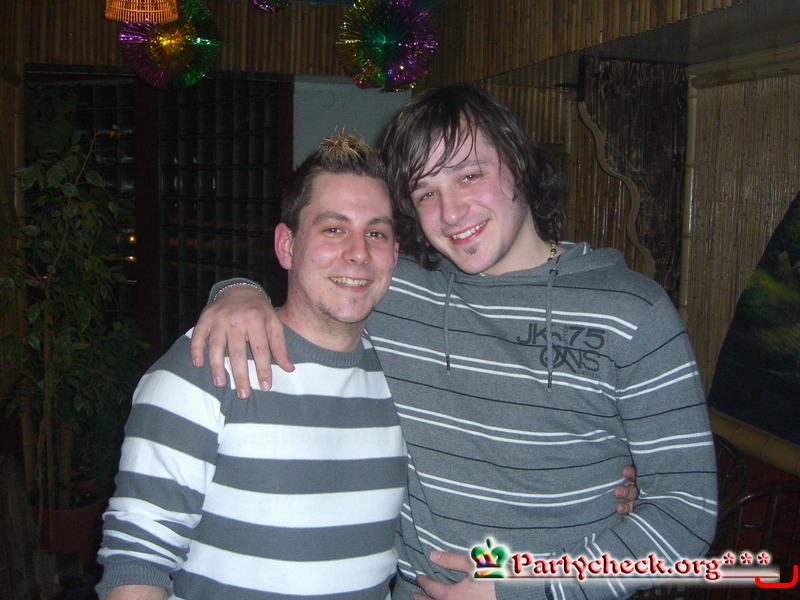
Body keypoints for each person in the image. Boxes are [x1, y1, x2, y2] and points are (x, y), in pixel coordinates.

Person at [190, 84, 718, 600]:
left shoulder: (631, 312)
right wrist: (239, 292)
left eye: (470, 175)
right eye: (426, 192)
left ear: (519, 163)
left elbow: (686, 515)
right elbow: (318, 277)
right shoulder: (396, 288)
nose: (451, 212)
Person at [95, 132, 407, 600]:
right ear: (286, 245)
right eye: (333, 229)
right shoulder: (206, 364)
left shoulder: (406, 379)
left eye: (376, 233)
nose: (359, 252)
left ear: (395, 254)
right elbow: (137, 560)